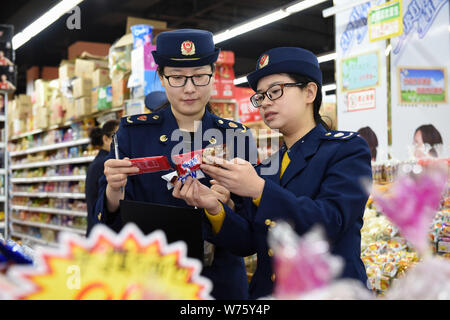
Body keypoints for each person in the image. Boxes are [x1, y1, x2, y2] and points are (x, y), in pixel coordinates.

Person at [174, 47, 373, 299]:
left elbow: (330, 222)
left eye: (275, 91)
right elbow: (248, 242)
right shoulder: (269, 166)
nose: (265, 101)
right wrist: (214, 208)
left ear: (309, 92)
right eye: (260, 96)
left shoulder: (346, 150)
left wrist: (258, 189)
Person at [94, 29, 257, 300]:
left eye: (199, 76)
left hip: (219, 283)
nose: (190, 88)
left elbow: (249, 236)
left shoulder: (236, 137)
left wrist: (223, 208)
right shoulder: (132, 134)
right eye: (177, 78)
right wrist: (113, 190)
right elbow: (107, 223)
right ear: (162, 78)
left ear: (212, 76)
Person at [85, 120, 119, 236]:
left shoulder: (99, 161)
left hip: (96, 230)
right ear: (105, 139)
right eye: (118, 136)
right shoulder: (104, 163)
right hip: (101, 233)